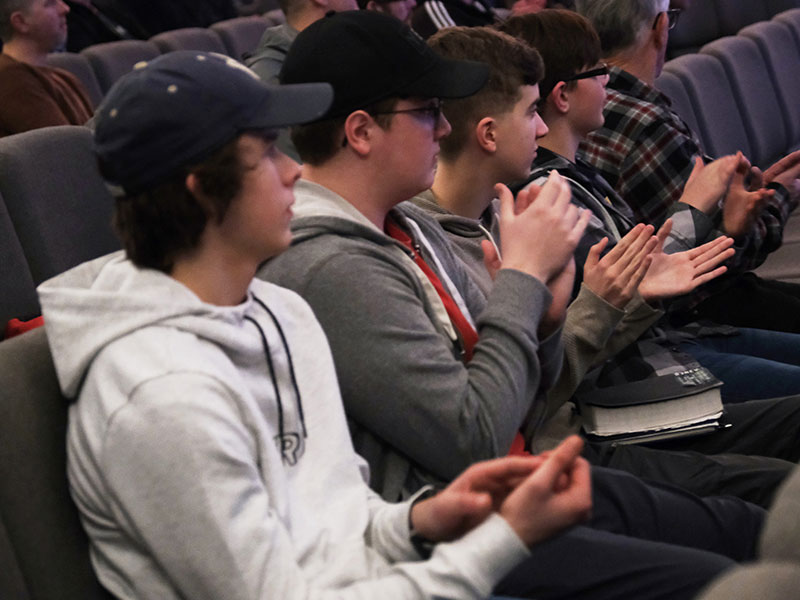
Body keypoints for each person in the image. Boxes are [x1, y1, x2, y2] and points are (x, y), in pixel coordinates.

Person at [38, 49, 596, 600]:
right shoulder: (158, 397)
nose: (293, 170)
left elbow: (338, 513)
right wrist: (505, 540)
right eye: (264, 154)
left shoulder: (281, 312)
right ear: (203, 191)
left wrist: (419, 521)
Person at [261, 11, 767, 600]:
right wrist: (523, 283)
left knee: (749, 525)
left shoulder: (407, 228)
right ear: (361, 132)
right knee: (730, 576)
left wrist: (546, 323)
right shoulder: (333, 266)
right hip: (461, 528)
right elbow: (475, 441)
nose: (444, 127)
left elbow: (523, 405)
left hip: (522, 481)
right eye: (426, 111)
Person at [414, 20, 800, 507]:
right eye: (530, 112)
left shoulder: (503, 213)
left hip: (615, 394)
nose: (540, 128)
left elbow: (548, 369)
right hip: (594, 423)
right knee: (772, 493)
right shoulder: (509, 218)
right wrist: (690, 217)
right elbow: (519, 401)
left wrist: (627, 297)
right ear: (489, 134)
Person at [574, 0, 800, 332]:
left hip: (656, 313)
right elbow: (714, 260)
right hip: (691, 317)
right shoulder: (644, 123)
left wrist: (756, 195)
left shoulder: (586, 109)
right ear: (660, 28)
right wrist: (781, 196)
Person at [0, 0, 93, 137]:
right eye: (50, 3)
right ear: (21, 22)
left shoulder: (62, 76)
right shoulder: (11, 80)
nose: (65, 8)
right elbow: (65, 144)